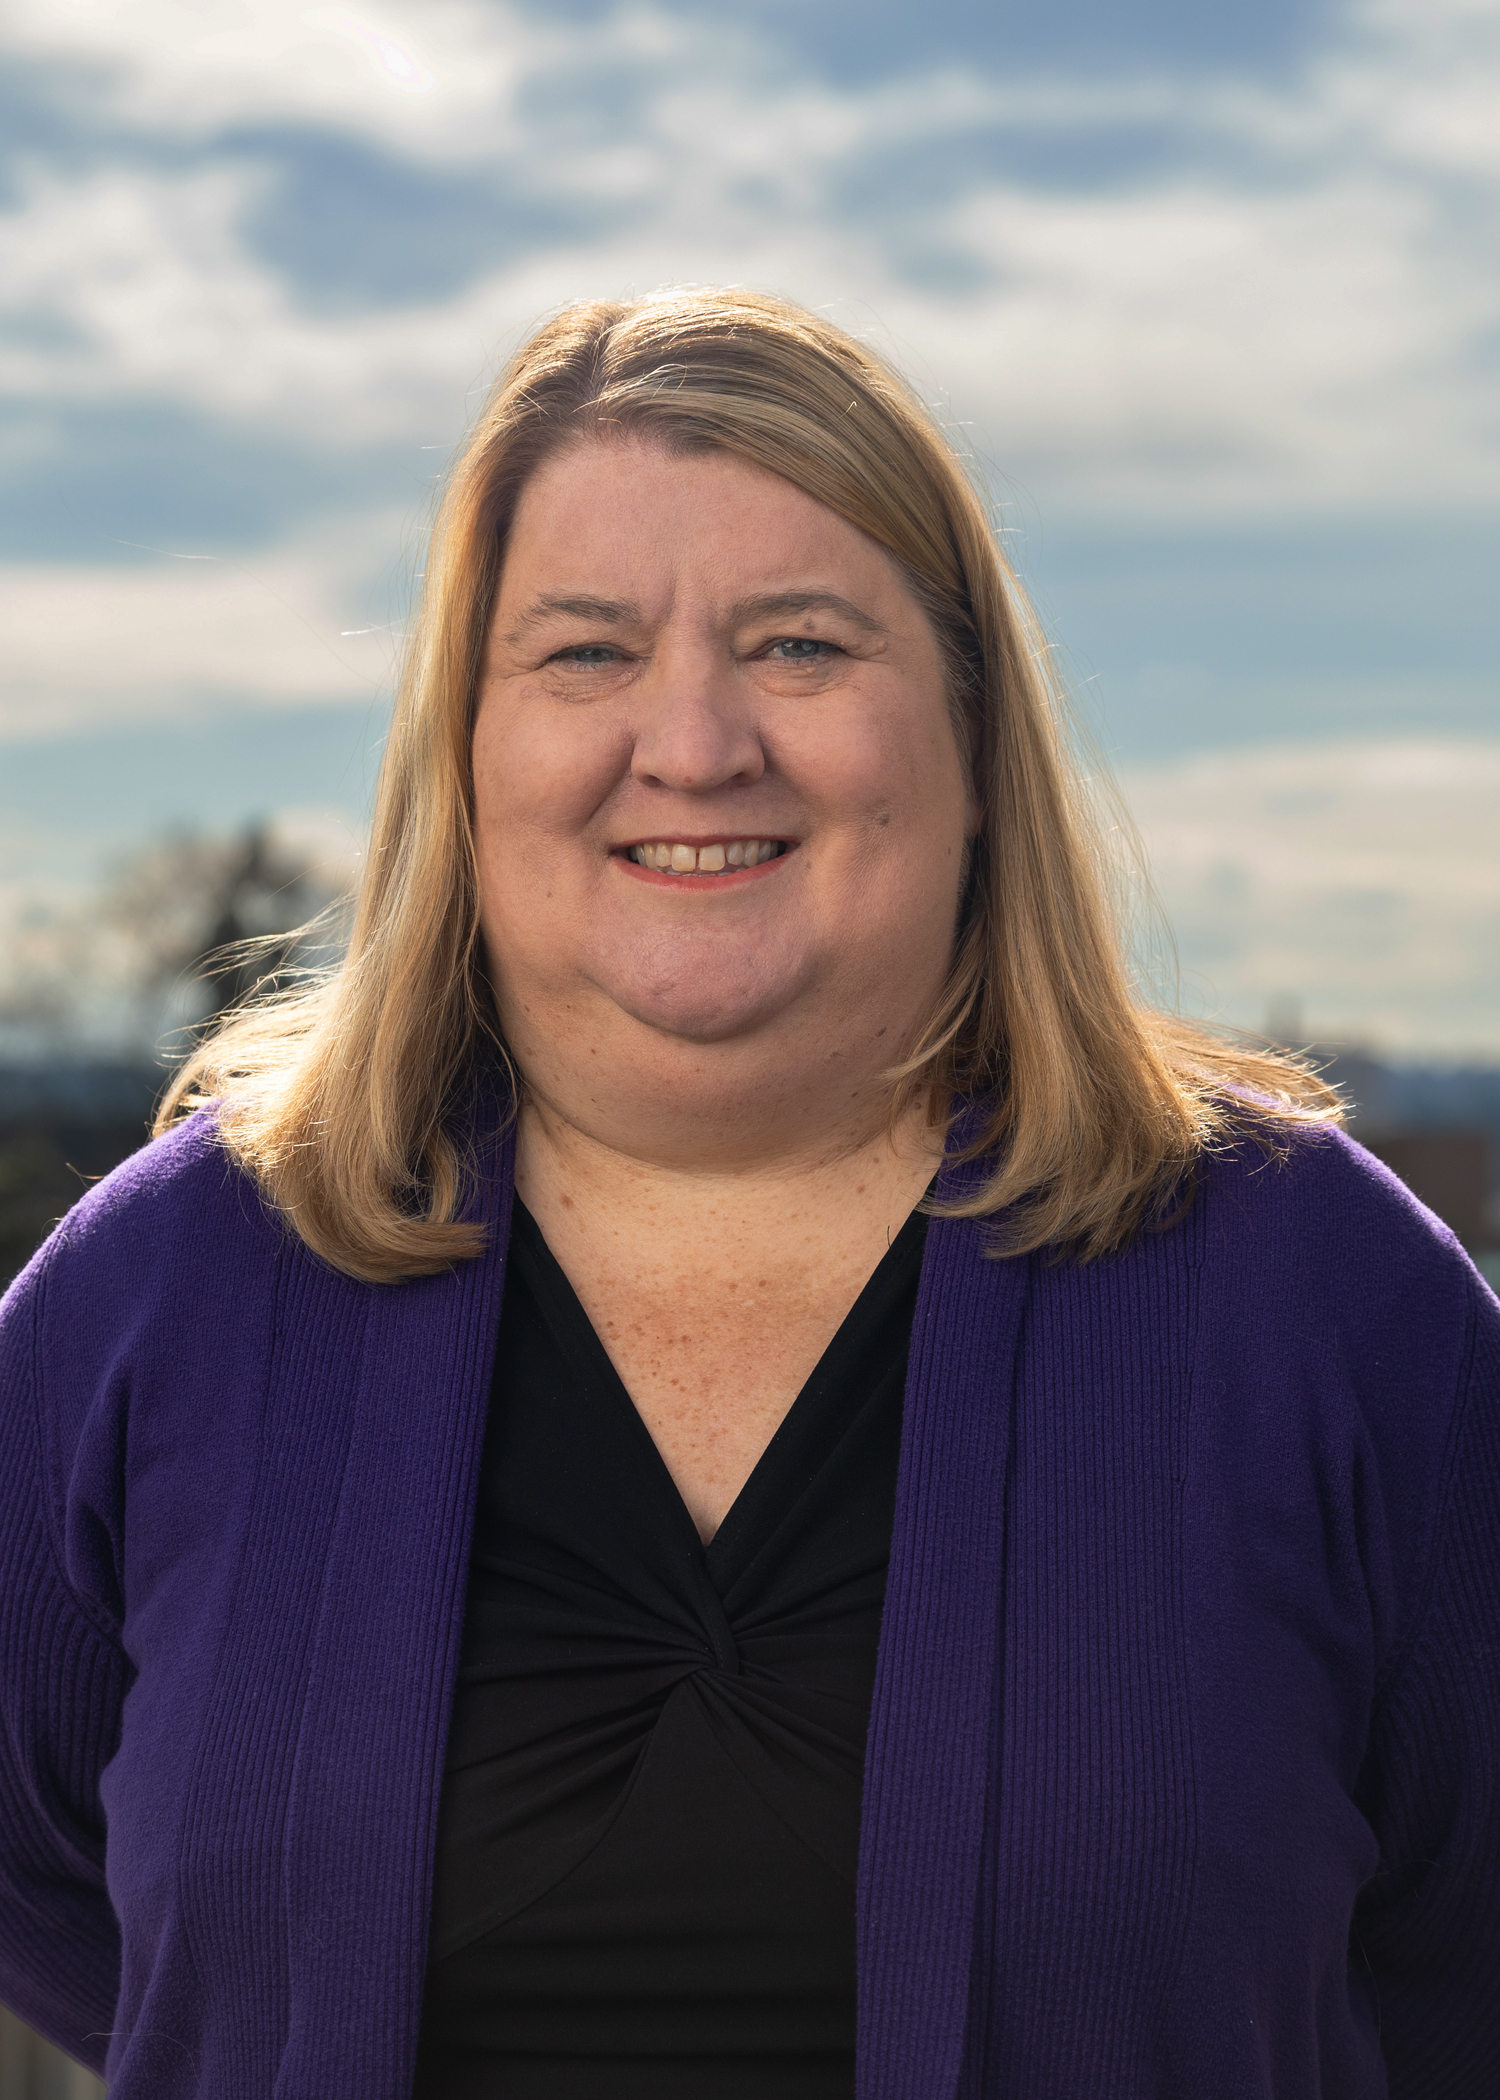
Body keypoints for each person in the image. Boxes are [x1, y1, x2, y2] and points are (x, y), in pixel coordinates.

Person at [0, 288, 1496, 2100]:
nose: (694, 744)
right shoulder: (173, 1295)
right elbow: (78, 1914)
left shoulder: (1318, 1293)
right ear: (464, 756)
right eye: (584, 653)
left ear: (969, 738)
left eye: (799, 646)